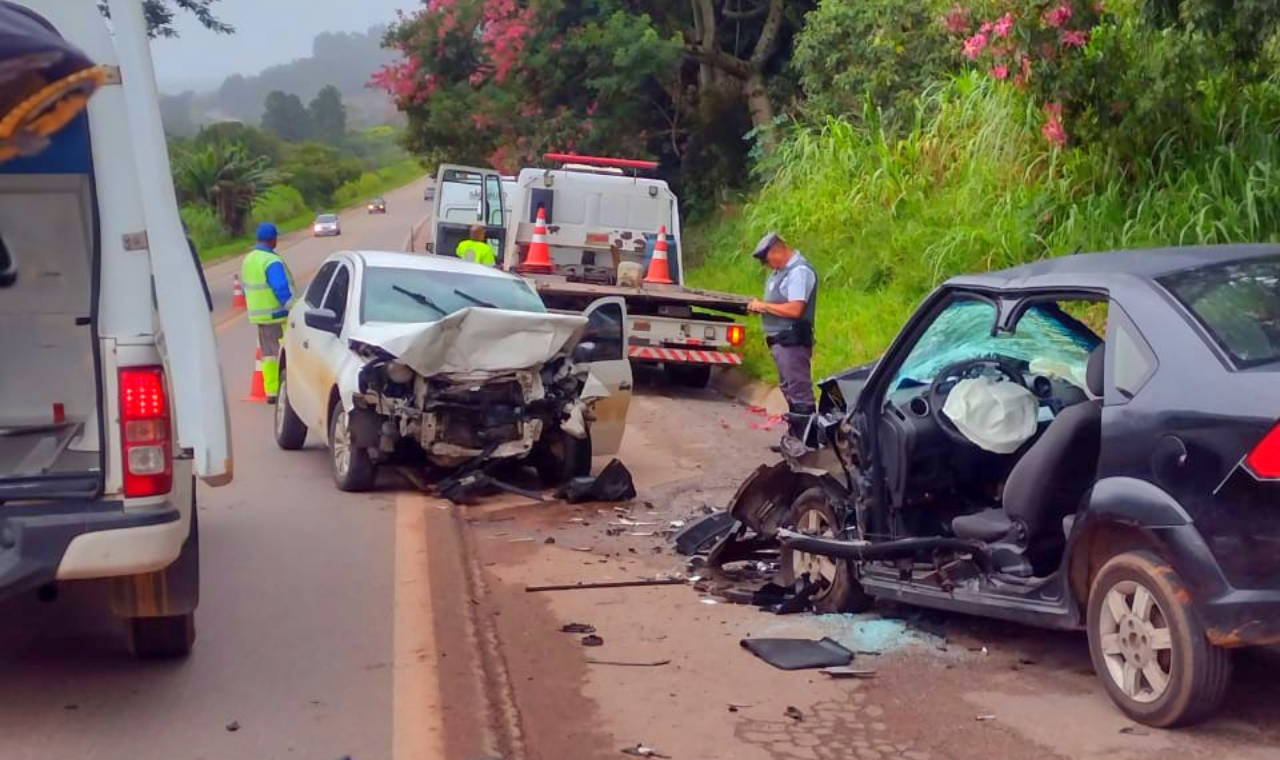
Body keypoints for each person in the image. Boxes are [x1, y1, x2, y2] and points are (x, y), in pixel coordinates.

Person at [747, 232, 818, 439]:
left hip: (792, 341)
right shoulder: (780, 272)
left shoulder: (799, 272)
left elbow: (795, 309)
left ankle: (809, 442)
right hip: (780, 342)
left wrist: (765, 306)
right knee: (789, 390)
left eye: (769, 260)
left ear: (778, 249)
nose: (769, 266)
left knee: (800, 392)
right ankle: (796, 437)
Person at [240, 222, 295, 404]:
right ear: (272, 239)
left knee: (269, 354)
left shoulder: (249, 259)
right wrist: (291, 306)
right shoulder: (271, 261)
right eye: (276, 237)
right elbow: (280, 286)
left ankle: (271, 390)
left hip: (259, 315)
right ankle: (285, 389)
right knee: (284, 352)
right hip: (276, 314)